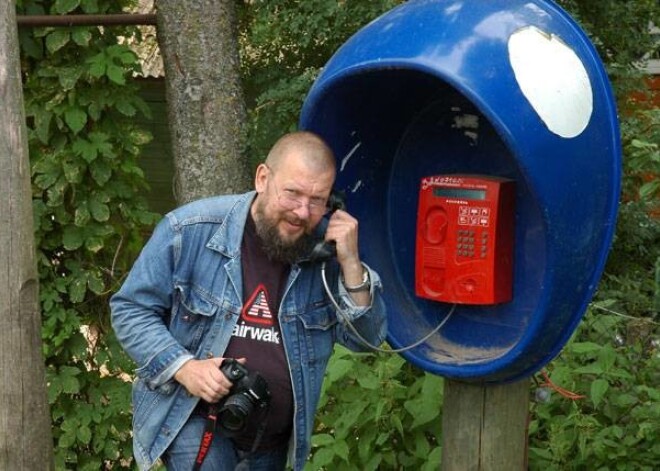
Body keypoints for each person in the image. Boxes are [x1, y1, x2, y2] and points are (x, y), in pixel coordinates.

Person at [110, 131, 387, 470]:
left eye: (317, 200)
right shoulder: (191, 230)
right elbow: (130, 309)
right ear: (262, 178)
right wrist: (184, 367)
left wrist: (351, 264)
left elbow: (367, 339)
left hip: (270, 441)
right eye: (293, 194)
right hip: (196, 419)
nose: (302, 212)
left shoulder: (325, 255)